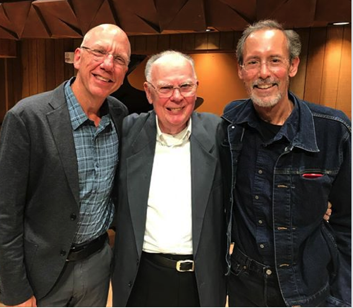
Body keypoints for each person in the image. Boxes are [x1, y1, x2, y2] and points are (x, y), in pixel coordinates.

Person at [0, 24, 131, 306]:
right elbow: (4, 211)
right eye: (100, 52)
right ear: (78, 58)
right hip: (41, 272)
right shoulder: (27, 117)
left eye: (119, 59)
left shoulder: (119, 114)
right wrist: (15, 289)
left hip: (97, 264)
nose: (108, 64)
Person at [222, 19, 351, 307]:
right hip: (245, 290)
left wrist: (345, 297)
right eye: (253, 62)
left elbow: (348, 224)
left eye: (274, 61)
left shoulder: (333, 130)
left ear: (292, 66)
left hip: (309, 288)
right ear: (241, 70)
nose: (264, 73)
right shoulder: (230, 125)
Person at [112, 50, 227, 307]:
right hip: (141, 278)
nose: (177, 97)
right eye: (165, 87)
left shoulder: (219, 133)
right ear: (149, 92)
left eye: (185, 86)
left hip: (200, 282)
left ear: (196, 88)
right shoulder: (128, 132)